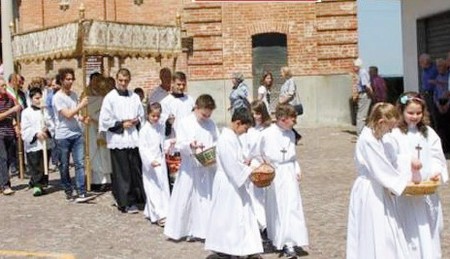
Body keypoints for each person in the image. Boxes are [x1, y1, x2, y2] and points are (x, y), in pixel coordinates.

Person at [346, 102, 411, 259]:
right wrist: (403, 184)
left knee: (387, 228)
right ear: (381, 122)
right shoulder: (367, 140)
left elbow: (391, 161)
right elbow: (380, 168)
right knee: (374, 226)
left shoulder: (378, 138)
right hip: (370, 189)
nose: (389, 132)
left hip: (379, 186)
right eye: (389, 128)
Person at [389, 92, 448, 259]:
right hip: (405, 193)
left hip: (426, 191)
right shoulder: (395, 134)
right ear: (401, 111)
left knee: (428, 228)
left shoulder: (428, 132)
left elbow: (437, 156)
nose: (415, 116)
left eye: (418, 113)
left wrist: (437, 172)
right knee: (408, 230)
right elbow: (391, 158)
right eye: (410, 113)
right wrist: (408, 166)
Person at [204, 108, 263, 258]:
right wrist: (250, 170)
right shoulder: (225, 139)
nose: (246, 131)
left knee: (240, 216)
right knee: (229, 217)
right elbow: (232, 166)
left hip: (234, 182)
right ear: (238, 123)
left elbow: (237, 161)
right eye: (245, 127)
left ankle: (242, 248)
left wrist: (246, 163)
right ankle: (227, 247)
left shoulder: (233, 137)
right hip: (228, 184)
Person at [253, 104, 308, 258]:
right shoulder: (267, 134)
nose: (294, 123)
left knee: (292, 207)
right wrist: (264, 166)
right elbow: (256, 153)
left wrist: (297, 169)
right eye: (293, 119)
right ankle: (280, 239)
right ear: (283, 119)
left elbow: (293, 156)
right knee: (278, 208)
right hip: (275, 174)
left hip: (289, 173)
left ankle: (291, 240)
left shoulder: (291, 134)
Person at [164, 94, 219, 241]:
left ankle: (204, 230)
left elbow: (216, 140)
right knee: (186, 198)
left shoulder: (211, 124)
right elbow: (180, 143)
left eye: (209, 115)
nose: (206, 118)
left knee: (205, 199)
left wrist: (212, 149)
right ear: (196, 108)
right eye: (203, 114)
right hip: (190, 166)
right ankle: (186, 229)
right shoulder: (185, 123)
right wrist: (191, 145)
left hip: (206, 166)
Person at [99, 68, 145, 213]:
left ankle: (136, 197)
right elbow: (105, 120)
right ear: (116, 80)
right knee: (121, 172)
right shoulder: (110, 97)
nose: (123, 83)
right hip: (118, 138)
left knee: (134, 169)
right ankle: (124, 202)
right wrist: (121, 124)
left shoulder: (134, 97)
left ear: (129, 80)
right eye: (120, 80)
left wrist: (137, 121)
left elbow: (141, 114)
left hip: (132, 138)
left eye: (126, 81)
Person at [52, 68, 91, 203]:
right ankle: (68, 189)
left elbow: (75, 114)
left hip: (76, 133)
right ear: (62, 80)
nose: (70, 81)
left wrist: (82, 118)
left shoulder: (74, 95)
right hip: (63, 135)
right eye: (67, 79)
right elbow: (68, 114)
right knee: (64, 165)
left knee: (80, 163)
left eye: (71, 79)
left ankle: (81, 191)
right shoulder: (57, 97)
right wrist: (81, 105)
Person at [241, 100, 272, 237]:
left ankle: (268, 223)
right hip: (254, 164)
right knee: (255, 196)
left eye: (258, 113)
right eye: (253, 113)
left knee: (267, 197)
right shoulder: (250, 130)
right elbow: (246, 148)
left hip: (266, 164)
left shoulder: (269, 129)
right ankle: (261, 225)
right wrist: (247, 159)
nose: (255, 116)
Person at [138, 102, 170, 227]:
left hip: (160, 161)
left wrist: (169, 144)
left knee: (163, 187)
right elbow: (143, 148)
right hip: (151, 164)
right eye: (153, 116)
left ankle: (158, 211)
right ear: (148, 115)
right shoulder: (144, 130)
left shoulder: (160, 127)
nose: (156, 118)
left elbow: (162, 142)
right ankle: (159, 214)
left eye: (158, 116)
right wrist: (150, 160)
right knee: (153, 189)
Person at [20, 87, 53, 196]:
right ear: (31, 99)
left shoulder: (45, 111)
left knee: (44, 164)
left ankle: (43, 184)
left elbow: (51, 123)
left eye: (40, 98)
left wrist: (47, 130)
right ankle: (36, 185)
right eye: (36, 98)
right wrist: (36, 134)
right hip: (34, 143)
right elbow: (25, 128)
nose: (39, 100)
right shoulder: (26, 112)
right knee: (35, 164)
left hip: (45, 142)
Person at [87, 75, 114, 192]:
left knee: (104, 154)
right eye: (94, 81)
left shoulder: (103, 93)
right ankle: (95, 181)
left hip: (102, 127)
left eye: (99, 81)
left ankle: (107, 180)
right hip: (92, 127)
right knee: (95, 153)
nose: (96, 83)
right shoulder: (86, 93)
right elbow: (87, 109)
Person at [0, 77, 22, 195]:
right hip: (0, 133)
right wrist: (12, 110)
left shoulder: (9, 99)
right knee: (2, 159)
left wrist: (16, 127)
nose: (4, 88)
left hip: (9, 132)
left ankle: (1, 182)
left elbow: (12, 116)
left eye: (5, 85)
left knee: (8, 159)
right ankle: (5, 185)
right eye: (2, 86)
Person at [430, 58, 450, 153]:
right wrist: (438, 104)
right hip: (439, 103)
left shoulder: (448, 77)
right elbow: (435, 93)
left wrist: (447, 105)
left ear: (446, 66)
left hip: (448, 103)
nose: (439, 68)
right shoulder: (437, 77)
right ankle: (444, 148)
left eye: (441, 66)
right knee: (440, 127)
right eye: (437, 66)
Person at [352, 58, 373, 136]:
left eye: (354, 66)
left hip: (365, 94)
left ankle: (360, 132)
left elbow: (366, 85)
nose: (353, 68)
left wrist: (371, 94)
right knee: (362, 114)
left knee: (361, 114)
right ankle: (361, 131)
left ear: (357, 66)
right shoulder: (361, 72)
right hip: (364, 94)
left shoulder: (362, 72)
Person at [419, 53, 438, 128]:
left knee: (434, 115)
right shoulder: (424, 70)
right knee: (428, 114)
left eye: (421, 62)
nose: (420, 64)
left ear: (426, 61)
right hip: (426, 94)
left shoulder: (435, 69)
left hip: (433, 94)